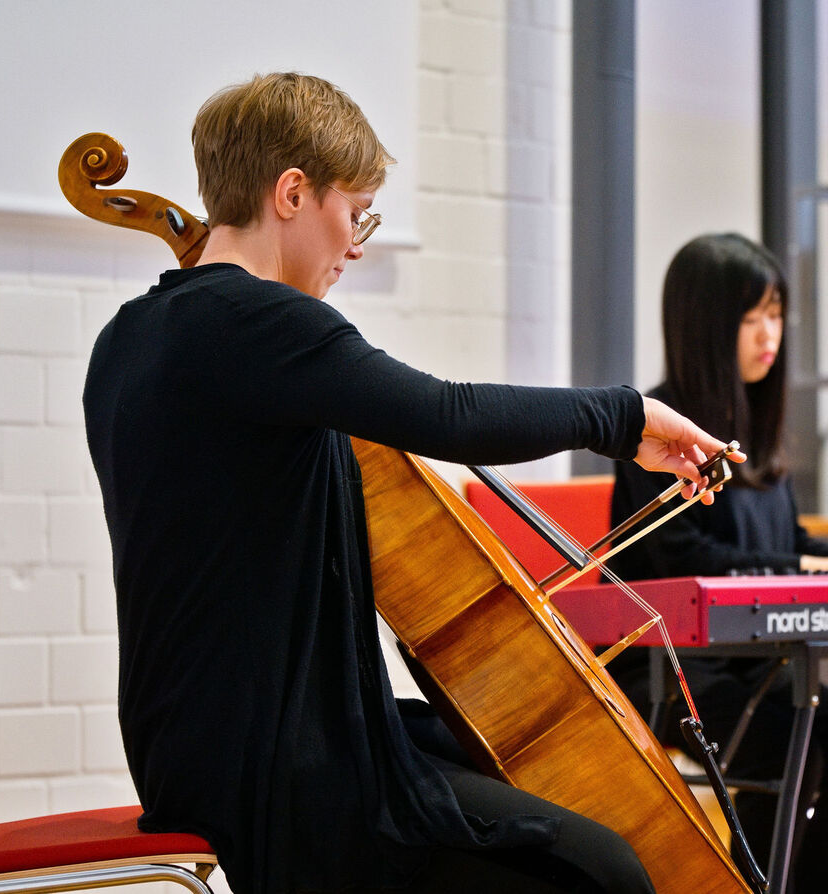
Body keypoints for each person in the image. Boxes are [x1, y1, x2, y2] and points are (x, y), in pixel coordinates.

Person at [83, 73, 741, 894]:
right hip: (274, 759)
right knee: (601, 869)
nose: (355, 244)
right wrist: (628, 417)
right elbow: (449, 414)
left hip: (191, 739)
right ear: (292, 193)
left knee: (479, 760)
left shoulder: (129, 337)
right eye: (352, 213)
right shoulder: (257, 324)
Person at [606, 233, 828, 894]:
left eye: (777, 315)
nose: (771, 334)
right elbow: (687, 560)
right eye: (752, 317)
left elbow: (791, 547)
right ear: (707, 325)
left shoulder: (758, 433)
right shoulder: (658, 430)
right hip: (668, 671)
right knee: (795, 749)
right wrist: (817, 571)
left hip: (750, 667)